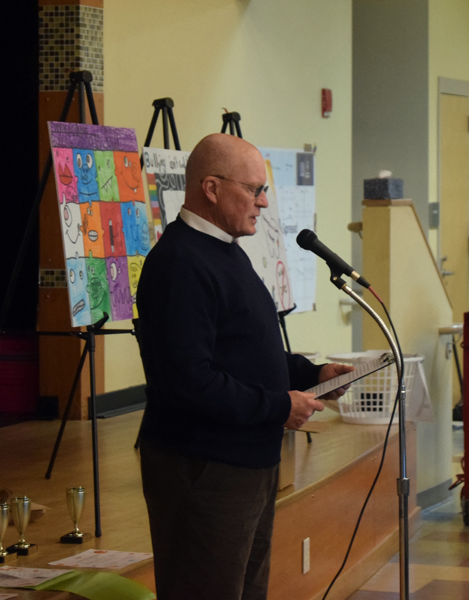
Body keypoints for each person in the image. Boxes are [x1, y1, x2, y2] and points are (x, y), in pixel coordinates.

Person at [136, 133, 353, 600]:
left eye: (264, 189)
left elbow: (246, 353)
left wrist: (311, 375)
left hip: (246, 461)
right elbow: (187, 381)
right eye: (253, 189)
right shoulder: (179, 263)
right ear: (211, 188)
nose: (263, 201)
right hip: (204, 468)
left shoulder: (224, 252)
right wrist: (277, 407)